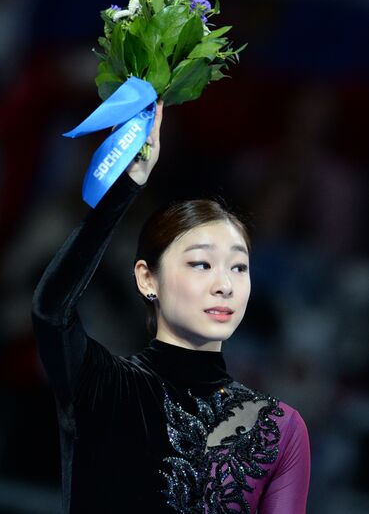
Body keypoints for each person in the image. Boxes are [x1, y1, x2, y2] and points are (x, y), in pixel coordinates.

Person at [32, 101, 311, 513]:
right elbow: (51, 311)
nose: (224, 284)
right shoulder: (103, 385)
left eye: (238, 266)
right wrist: (124, 189)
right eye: (201, 263)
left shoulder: (278, 428)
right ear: (147, 278)